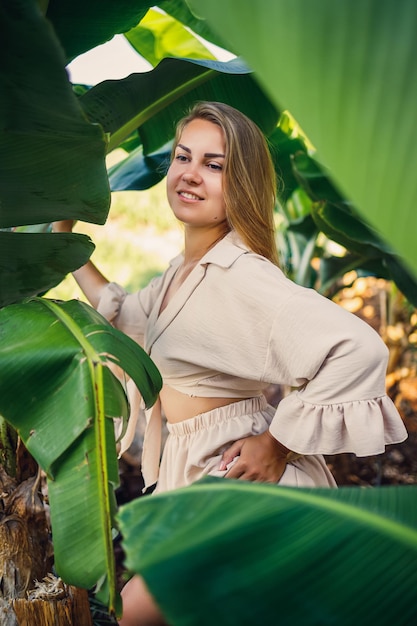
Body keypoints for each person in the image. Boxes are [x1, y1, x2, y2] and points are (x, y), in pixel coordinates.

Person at [53, 101, 407, 626]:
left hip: (240, 478)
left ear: (239, 182)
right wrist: (63, 240)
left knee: (131, 616)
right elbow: (132, 320)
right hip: (197, 468)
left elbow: (359, 347)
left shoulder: (240, 274)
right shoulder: (185, 270)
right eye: (182, 157)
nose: (190, 175)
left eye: (214, 165)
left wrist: (276, 445)